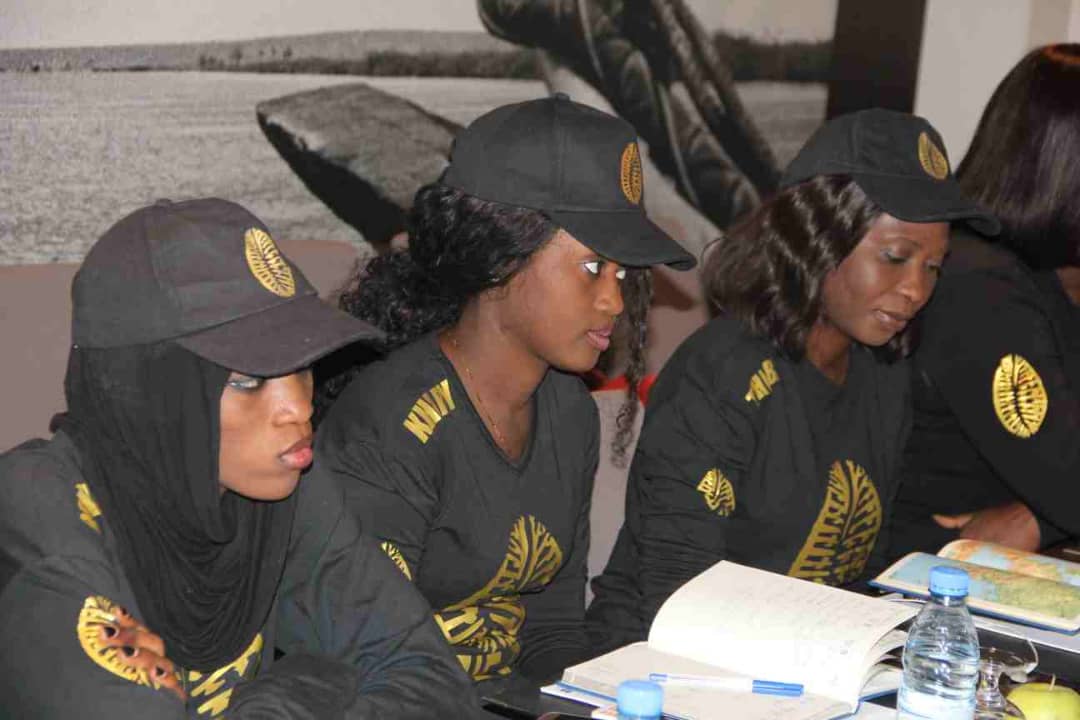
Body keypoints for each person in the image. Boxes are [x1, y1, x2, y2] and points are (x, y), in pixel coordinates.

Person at [0, 198, 481, 718]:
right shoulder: (36, 514)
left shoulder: (280, 481)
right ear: (149, 393)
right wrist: (300, 687)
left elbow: (435, 682)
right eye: (248, 380)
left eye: (302, 365)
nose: (298, 408)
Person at [309, 94, 695, 686]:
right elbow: (366, 665)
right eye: (594, 267)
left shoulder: (567, 411)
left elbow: (552, 626)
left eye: (624, 275)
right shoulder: (391, 425)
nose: (615, 302)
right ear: (498, 254)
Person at [585, 109, 999, 653]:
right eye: (896, 258)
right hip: (659, 669)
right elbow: (679, 597)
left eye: (933, 267)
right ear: (816, 236)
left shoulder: (884, 371)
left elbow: (864, 566)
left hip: (810, 664)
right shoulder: (722, 373)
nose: (915, 290)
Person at [888, 44, 1080, 557]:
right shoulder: (978, 285)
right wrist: (1051, 508)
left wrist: (1038, 517)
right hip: (913, 585)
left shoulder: (1049, 275)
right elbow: (1068, 476)